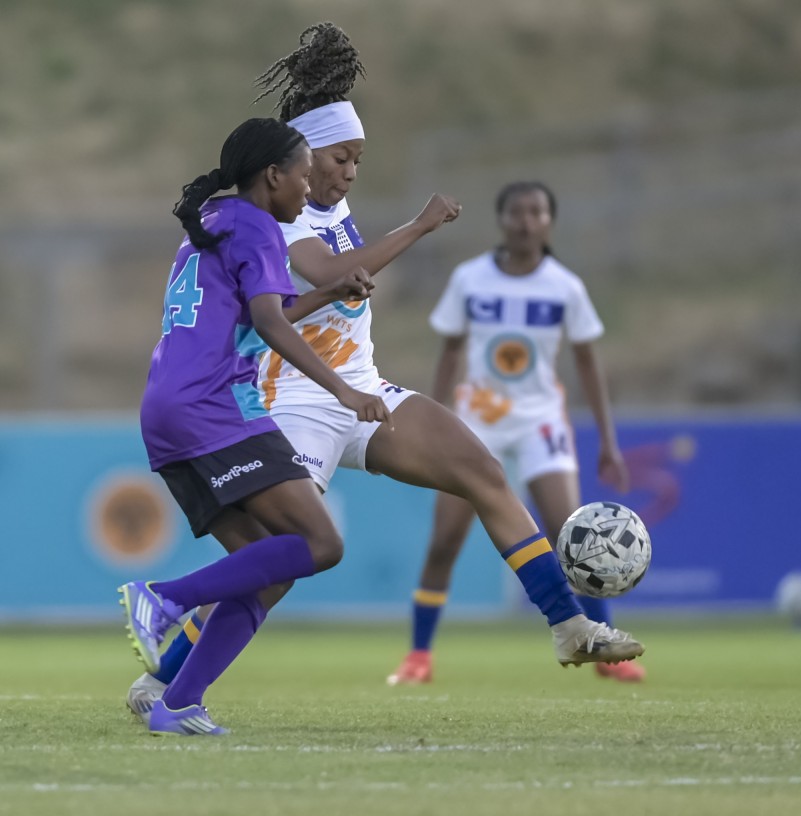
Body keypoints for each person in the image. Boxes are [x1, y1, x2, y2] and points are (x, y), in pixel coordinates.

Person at [125, 22, 644, 719]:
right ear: (297, 163)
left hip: (364, 388)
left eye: (357, 160)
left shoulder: (318, 199)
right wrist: (419, 225)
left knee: (481, 470)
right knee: (282, 562)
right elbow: (330, 273)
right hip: (292, 399)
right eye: (339, 158)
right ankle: (165, 681)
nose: (348, 173)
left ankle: (569, 625)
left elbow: (325, 280)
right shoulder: (273, 219)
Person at [123, 116, 390, 735]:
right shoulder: (259, 225)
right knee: (321, 544)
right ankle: (164, 598)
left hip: (168, 407)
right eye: (304, 175)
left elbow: (267, 308)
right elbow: (269, 324)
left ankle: (179, 703)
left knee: (264, 561)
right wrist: (345, 390)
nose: (310, 188)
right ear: (273, 176)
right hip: (215, 406)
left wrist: (331, 291)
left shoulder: (216, 218)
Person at [386, 181, 646, 686]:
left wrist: (608, 440)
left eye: (537, 212)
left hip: (539, 420)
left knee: (574, 536)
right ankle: (419, 655)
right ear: (501, 220)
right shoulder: (470, 279)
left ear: (550, 222)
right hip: (477, 419)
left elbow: (587, 362)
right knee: (445, 540)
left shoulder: (564, 286)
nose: (527, 222)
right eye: (517, 213)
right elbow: (450, 351)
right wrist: (431, 418)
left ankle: (606, 651)